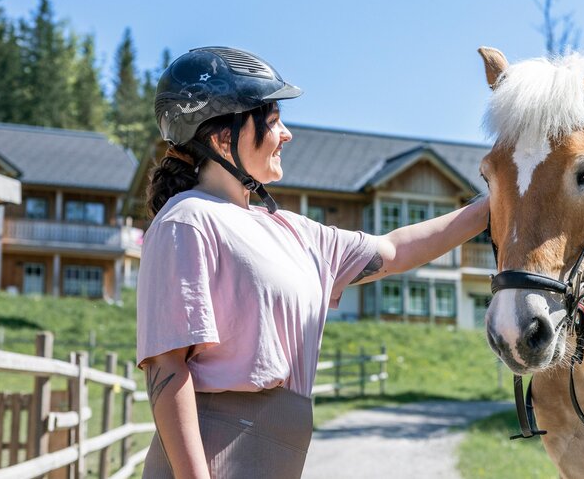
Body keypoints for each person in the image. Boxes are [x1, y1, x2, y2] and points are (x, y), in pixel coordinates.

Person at [136, 46, 489, 478]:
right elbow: (167, 367)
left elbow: (396, 250)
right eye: (272, 121)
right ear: (224, 137)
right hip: (210, 461)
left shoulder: (293, 232)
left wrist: (502, 199)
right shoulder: (187, 221)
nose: (286, 134)